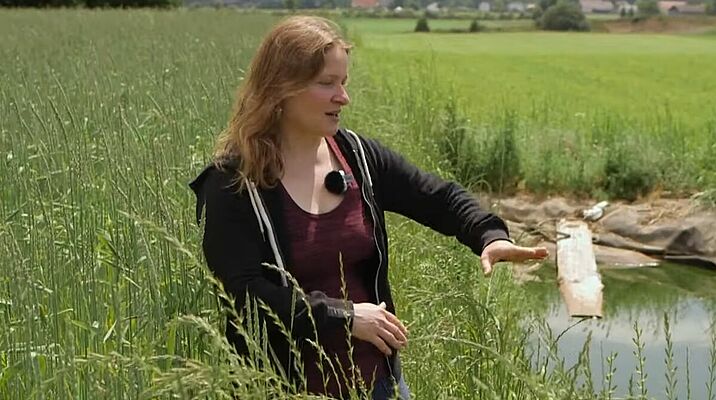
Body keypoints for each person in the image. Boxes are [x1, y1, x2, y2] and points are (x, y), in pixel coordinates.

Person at [189, 15, 548, 400]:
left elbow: (435, 195)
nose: (343, 97)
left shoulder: (357, 156)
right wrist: (345, 316)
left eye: (343, 83)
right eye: (327, 84)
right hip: (285, 389)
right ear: (280, 88)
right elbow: (245, 297)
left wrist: (487, 234)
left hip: (380, 385)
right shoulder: (232, 184)